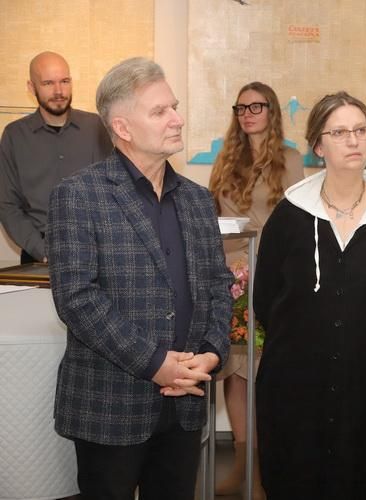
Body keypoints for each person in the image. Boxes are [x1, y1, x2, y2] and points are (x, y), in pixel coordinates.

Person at [45, 57, 233, 499]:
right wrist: (156, 364)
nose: (177, 119)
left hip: (185, 404)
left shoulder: (197, 200)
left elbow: (218, 286)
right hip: (110, 405)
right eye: (160, 111)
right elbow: (77, 299)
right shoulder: (78, 195)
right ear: (123, 127)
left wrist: (211, 353)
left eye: (175, 107)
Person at [253, 91, 366, 499]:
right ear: (318, 145)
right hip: (297, 387)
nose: (353, 140)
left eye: (361, 131)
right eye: (340, 132)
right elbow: (266, 299)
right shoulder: (289, 215)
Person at [208, 81, 304, 497]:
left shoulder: (290, 159)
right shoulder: (226, 158)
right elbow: (213, 216)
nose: (247, 114)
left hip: (271, 280)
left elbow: (297, 222)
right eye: (241, 108)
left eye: (256, 106)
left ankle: (267, 471)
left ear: (272, 111)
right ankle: (243, 467)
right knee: (234, 374)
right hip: (230, 279)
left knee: (265, 375)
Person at [0, 51, 111, 263]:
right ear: (31, 87)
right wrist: (42, 250)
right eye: (48, 83)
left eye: (65, 81)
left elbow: (113, 190)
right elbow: (7, 205)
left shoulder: (96, 126)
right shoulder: (14, 135)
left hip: (95, 251)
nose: (59, 91)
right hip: (39, 254)